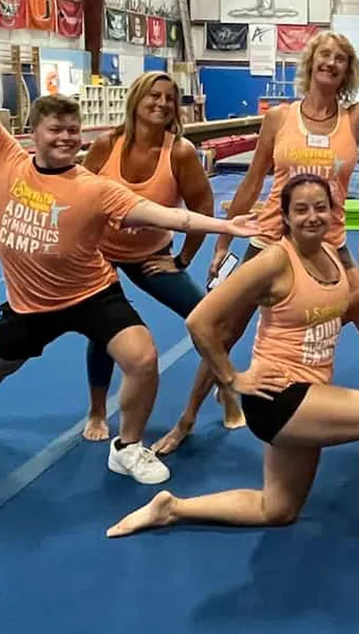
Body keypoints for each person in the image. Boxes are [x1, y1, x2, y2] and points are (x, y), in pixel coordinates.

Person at [0, 0, 258, 484]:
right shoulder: (5, 158)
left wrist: (226, 224)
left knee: (142, 357)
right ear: (32, 133)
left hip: (91, 292)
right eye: (55, 131)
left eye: (73, 133)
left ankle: (128, 446)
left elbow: (175, 216)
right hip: (30, 306)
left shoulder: (94, 187)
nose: (65, 139)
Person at [106, 174, 359, 552]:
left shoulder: (329, 253)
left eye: (320, 207)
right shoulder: (275, 261)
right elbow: (200, 321)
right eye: (301, 210)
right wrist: (231, 378)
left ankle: (172, 508)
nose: (312, 217)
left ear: (332, 212)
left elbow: (345, 305)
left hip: (308, 394)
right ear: (285, 216)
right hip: (279, 396)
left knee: (277, 508)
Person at [196, 26, 359, 446]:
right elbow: (251, 181)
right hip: (271, 240)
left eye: (340, 57)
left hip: (330, 246)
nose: (331, 62)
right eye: (325, 54)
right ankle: (191, 417)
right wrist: (225, 241)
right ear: (311, 62)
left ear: (347, 70)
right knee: (227, 330)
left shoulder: (355, 120)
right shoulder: (280, 118)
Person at [79, 71, 244, 450]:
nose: (161, 103)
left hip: (152, 255)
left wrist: (183, 260)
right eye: (154, 95)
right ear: (136, 99)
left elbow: (202, 207)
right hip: (102, 254)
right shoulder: (107, 145)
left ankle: (227, 390)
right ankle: (98, 411)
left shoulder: (180, 152)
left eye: (170, 98)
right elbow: (80, 197)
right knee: (102, 329)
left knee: (206, 320)